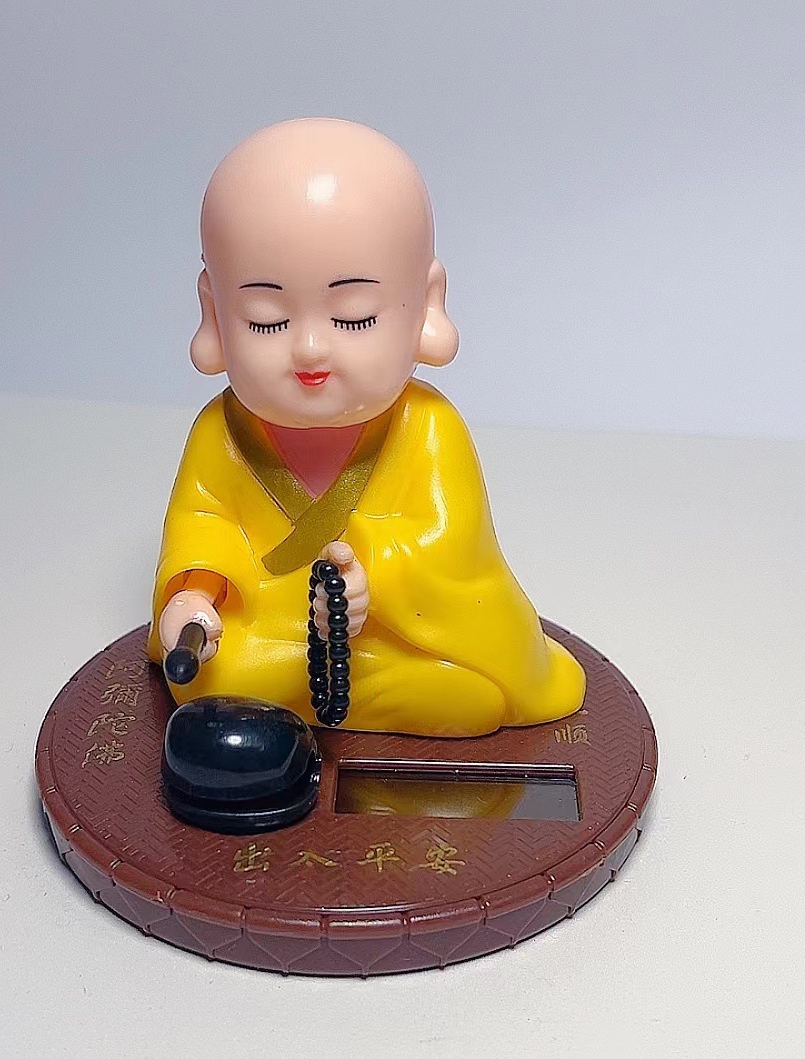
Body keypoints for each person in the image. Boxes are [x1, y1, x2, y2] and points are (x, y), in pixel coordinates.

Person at [149, 119, 584, 737]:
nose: (309, 349)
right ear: (215, 315)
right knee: (215, 676)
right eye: (267, 320)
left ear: (426, 306)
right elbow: (204, 526)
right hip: (273, 634)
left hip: (389, 634)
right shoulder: (220, 433)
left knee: (470, 693)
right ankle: (317, 696)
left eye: (353, 318)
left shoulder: (428, 428)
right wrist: (192, 597)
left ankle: (319, 705)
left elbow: (451, 548)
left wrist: (367, 582)